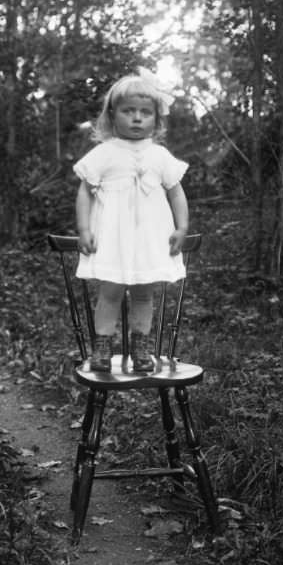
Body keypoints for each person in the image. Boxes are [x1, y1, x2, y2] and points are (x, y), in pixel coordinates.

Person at [74, 68, 189, 372]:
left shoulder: (160, 155)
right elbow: (85, 191)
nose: (137, 118)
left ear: (156, 119)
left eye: (145, 112)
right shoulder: (104, 152)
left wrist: (182, 227)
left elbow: (176, 193)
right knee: (110, 293)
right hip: (113, 238)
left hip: (148, 239)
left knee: (143, 294)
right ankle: (102, 348)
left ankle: (141, 349)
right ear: (112, 116)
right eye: (128, 111)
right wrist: (84, 228)